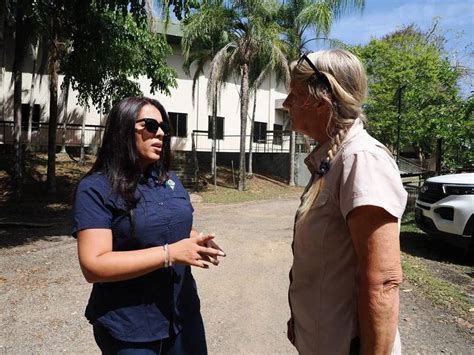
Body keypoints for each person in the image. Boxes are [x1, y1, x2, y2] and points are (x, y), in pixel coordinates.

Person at [72, 96, 225, 354]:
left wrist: (195, 238)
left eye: (164, 126)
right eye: (151, 126)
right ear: (123, 129)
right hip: (131, 329)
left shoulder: (169, 179)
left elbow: (166, 226)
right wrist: (169, 254)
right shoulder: (95, 189)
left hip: (182, 316)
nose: (162, 133)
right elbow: (94, 265)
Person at [283, 49, 407, 355]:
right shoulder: (332, 158)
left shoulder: (361, 159)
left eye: (294, 94)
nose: (286, 104)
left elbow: (383, 282)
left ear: (320, 98)